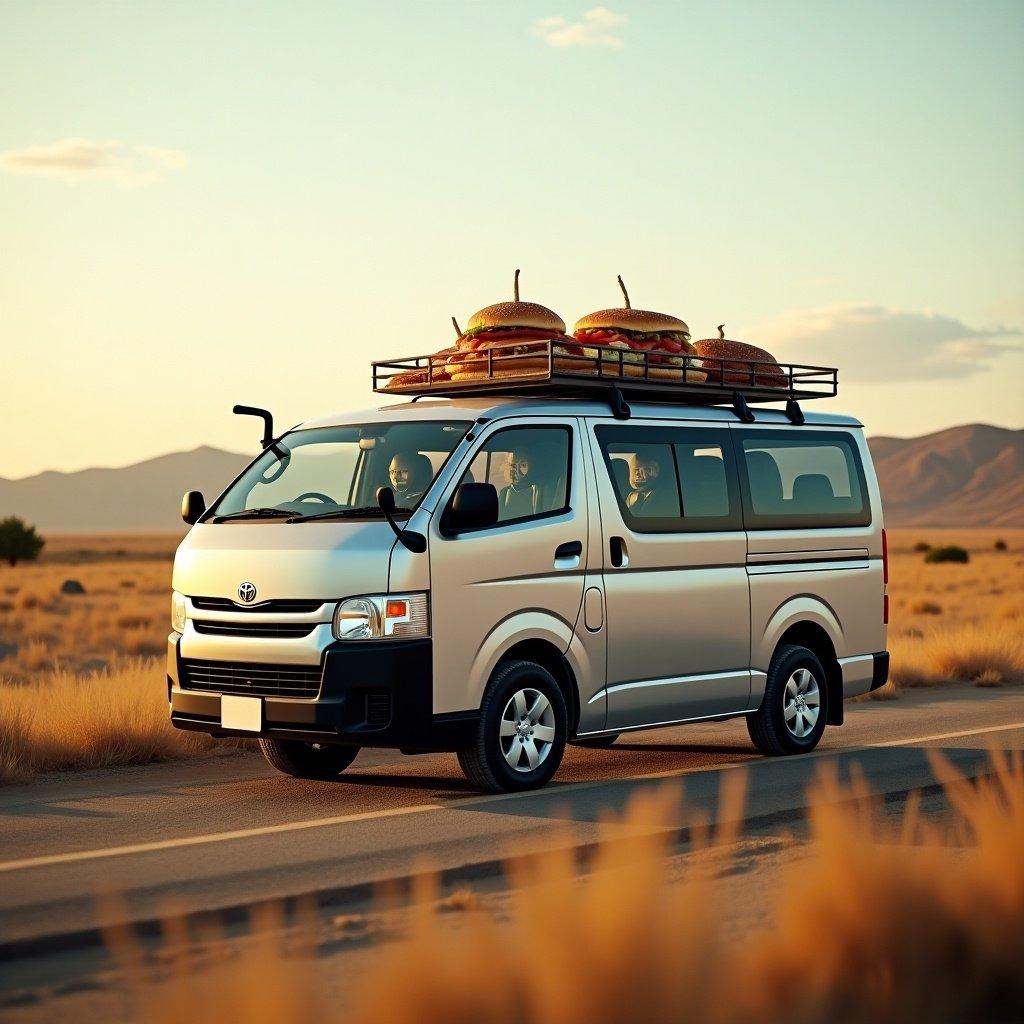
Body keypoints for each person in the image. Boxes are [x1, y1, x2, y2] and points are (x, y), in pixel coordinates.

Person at [626, 448, 678, 517]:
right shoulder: (631, 496)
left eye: (647, 469)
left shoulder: (668, 496)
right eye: (635, 470)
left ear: (657, 470)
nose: (638, 474)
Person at [498, 448, 538, 520]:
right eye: (512, 465)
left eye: (523, 465)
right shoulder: (504, 492)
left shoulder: (537, 490)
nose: (516, 470)